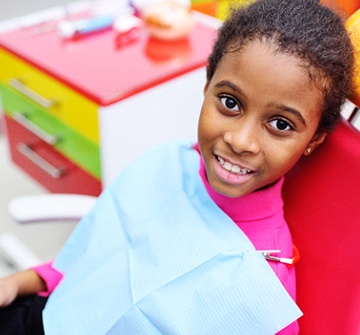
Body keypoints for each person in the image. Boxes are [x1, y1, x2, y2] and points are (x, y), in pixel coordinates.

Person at [0, 0, 354, 334]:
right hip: (51, 314)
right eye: (230, 102)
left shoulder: (263, 286)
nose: (240, 141)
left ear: (313, 141)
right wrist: (21, 282)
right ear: (207, 87)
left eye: (280, 125)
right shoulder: (168, 165)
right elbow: (87, 262)